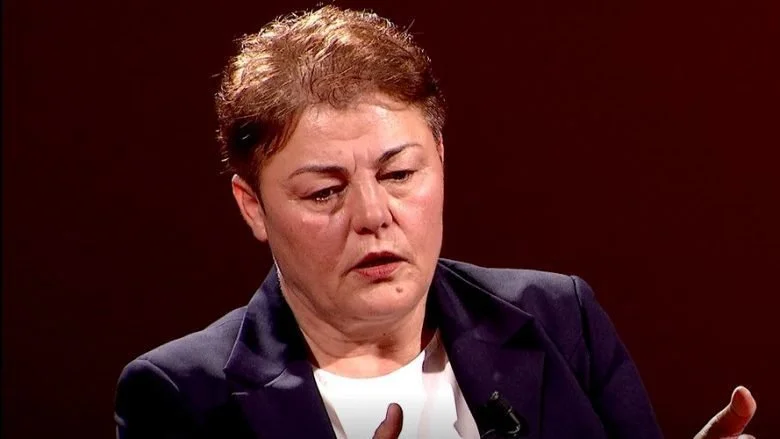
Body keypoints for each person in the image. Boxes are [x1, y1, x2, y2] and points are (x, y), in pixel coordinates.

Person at [114, 6, 757, 439]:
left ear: (441, 160)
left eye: (398, 174)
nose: (373, 216)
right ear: (252, 205)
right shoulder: (181, 397)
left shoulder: (560, 320)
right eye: (324, 192)